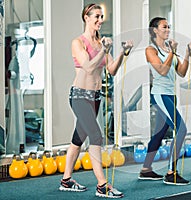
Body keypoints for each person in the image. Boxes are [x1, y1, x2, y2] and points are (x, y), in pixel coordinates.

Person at [59, 4, 133, 198]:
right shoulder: (78, 42)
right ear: (86, 17)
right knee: (97, 137)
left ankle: (66, 180)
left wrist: (122, 54)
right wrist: (103, 50)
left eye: (102, 17)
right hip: (80, 96)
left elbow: (111, 71)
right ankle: (102, 185)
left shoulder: (101, 43)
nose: (100, 20)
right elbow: (89, 67)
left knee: (78, 139)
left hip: (95, 97)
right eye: (97, 17)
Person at [138, 17, 191, 185]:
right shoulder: (151, 50)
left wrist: (186, 54)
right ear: (155, 30)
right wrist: (172, 52)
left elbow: (182, 72)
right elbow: (162, 70)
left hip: (171, 95)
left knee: (159, 134)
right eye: (164, 27)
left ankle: (146, 169)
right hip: (160, 95)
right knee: (181, 129)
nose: (168, 29)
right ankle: (171, 172)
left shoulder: (170, 50)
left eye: (169, 26)